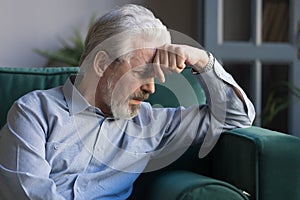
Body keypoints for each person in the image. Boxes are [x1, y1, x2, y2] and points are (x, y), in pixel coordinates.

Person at [0, 4, 255, 200]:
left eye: (155, 77)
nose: (151, 88)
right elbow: (30, 193)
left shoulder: (151, 123)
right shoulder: (33, 113)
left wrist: (201, 59)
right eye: (143, 73)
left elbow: (236, 116)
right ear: (101, 64)